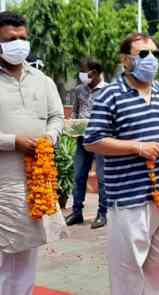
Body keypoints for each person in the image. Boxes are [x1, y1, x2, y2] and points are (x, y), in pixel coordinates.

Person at [84, 32, 159, 295]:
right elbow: (92, 141)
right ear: (125, 60)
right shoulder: (110, 95)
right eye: (143, 54)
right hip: (129, 198)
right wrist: (137, 148)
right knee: (127, 271)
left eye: (155, 54)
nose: (151, 60)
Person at [0, 11, 67, 294]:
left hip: (35, 182)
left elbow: (56, 116)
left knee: (27, 255)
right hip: (4, 182)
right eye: (10, 39)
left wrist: (49, 137)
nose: (19, 43)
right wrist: (13, 141)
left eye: (23, 38)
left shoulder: (42, 79)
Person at [65, 58, 108, 229]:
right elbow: (75, 111)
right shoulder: (79, 90)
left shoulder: (108, 90)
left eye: (85, 71)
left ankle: (102, 213)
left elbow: (112, 115)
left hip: (101, 140)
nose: (82, 74)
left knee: (102, 177)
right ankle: (77, 213)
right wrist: (72, 124)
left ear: (95, 73)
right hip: (82, 139)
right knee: (78, 176)